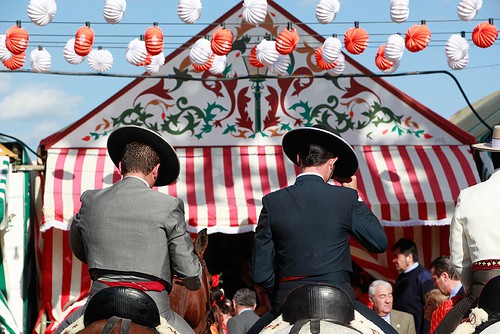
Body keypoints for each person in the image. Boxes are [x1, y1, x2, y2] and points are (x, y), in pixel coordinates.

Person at [249, 123, 397, 334]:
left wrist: (284, 287)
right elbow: (378, 242)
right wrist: (355, 198)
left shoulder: (273, 202)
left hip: (288, 300)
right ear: (332, 162)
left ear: (299, 159)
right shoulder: (345, 199)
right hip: (340, 300)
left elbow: (260, 273)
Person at [56, 126, 203, 333]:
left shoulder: (90, 199)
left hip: (99, 300)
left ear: (120, 166)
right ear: (156, 170)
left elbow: (79, 248)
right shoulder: (169, 205)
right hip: (155, 308)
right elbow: (189, 273)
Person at [435, 125, 500, 333]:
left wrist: (471, 291)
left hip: (484, 288)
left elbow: (459, 259)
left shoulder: (469, 196)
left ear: (491, 157)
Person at [391, 238, 434, 334]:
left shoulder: (424, 277)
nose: (393, 260)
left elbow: (429, 310)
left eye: (396, 256)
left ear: (409, 257)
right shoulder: (400, 278)